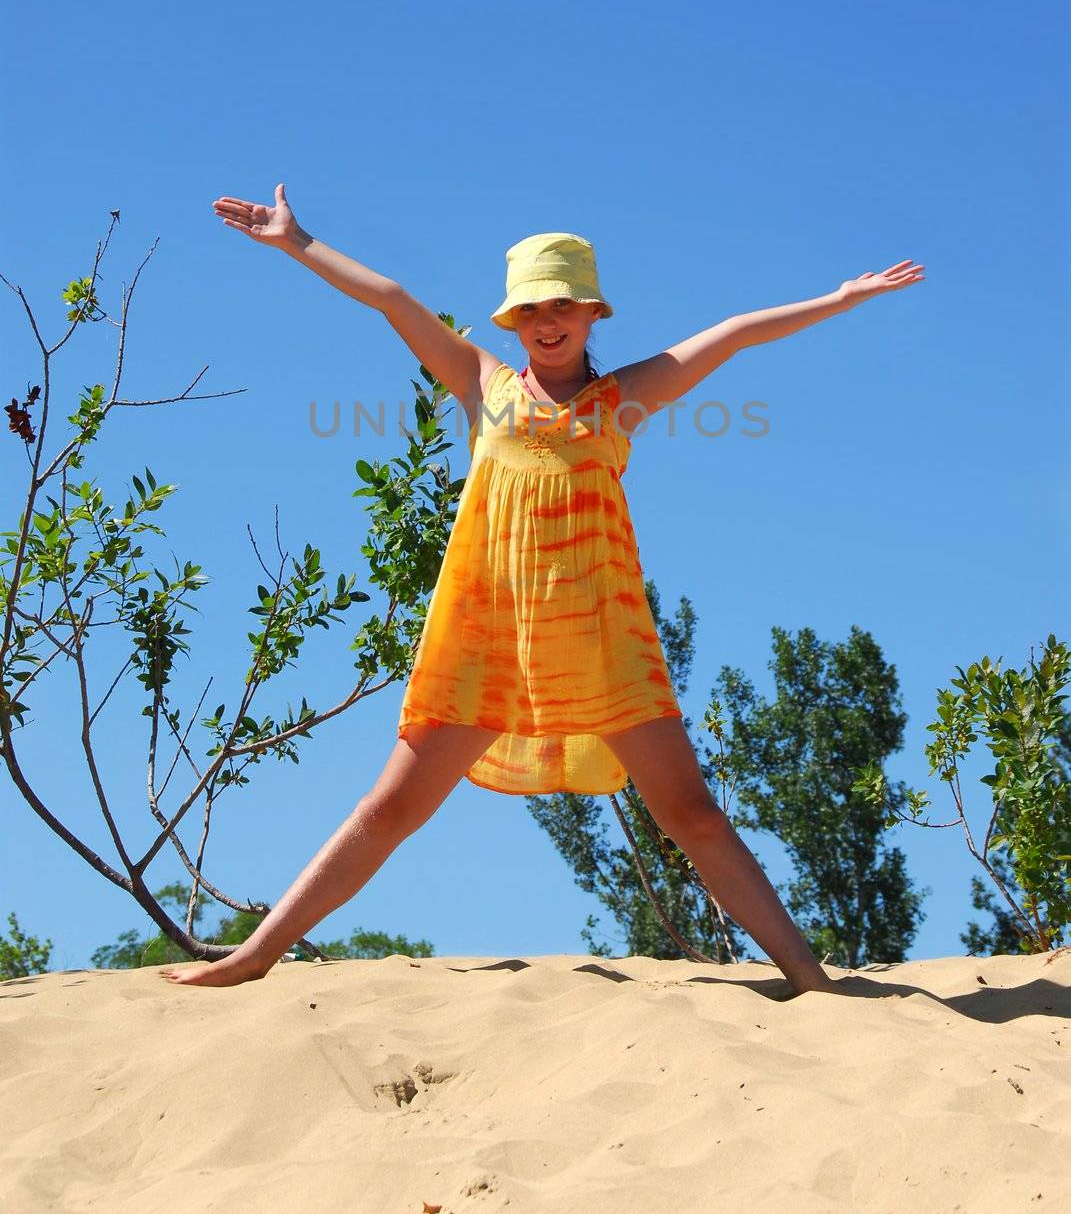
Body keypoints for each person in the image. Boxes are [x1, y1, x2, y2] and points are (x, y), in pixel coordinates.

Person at [160, 186, 923, 993]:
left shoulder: (619, 399)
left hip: (602, 642)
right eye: (530, 309)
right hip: (488, 640)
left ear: (592, 313)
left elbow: (732, 335)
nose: (546, 320)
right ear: (512, 322)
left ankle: (810, 981)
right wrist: (296, 240)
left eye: (563, 305)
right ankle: (252, 957)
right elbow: (390, 299)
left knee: (691, 814)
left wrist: (841, 299)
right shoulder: (483, 383)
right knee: (389, 809)